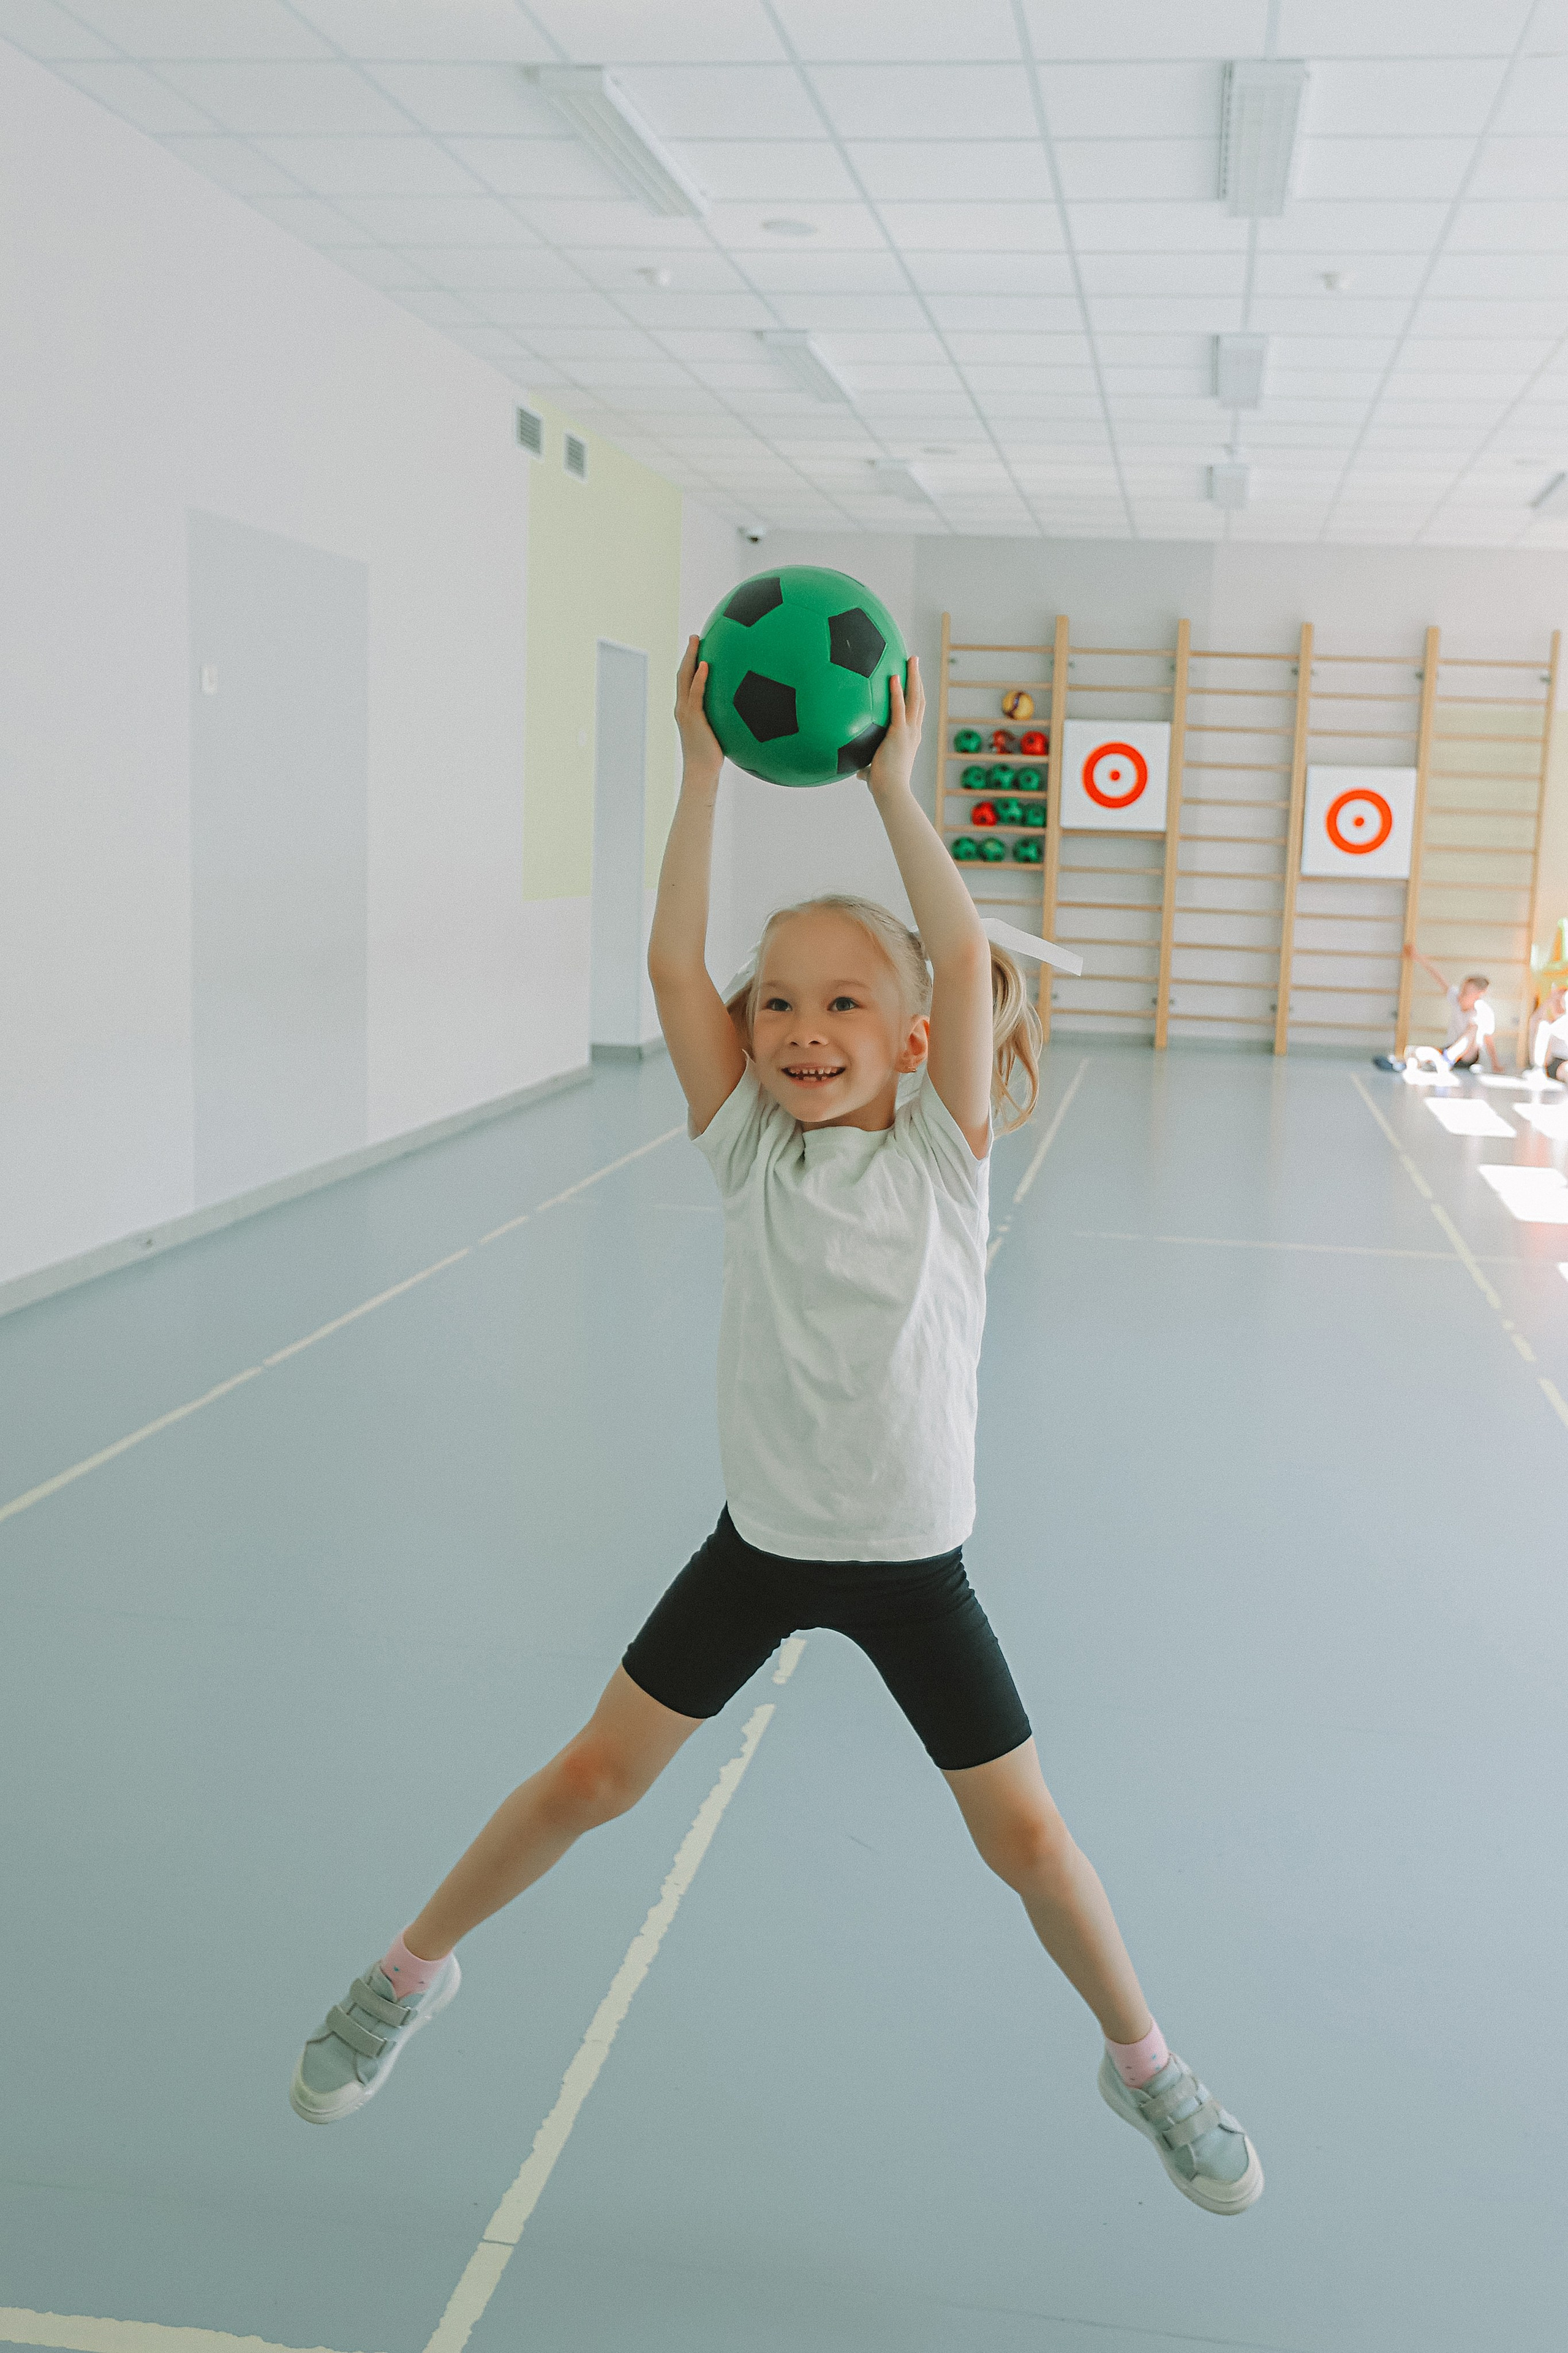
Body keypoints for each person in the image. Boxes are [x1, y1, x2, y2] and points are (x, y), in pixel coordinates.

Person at [289, 642, 1264, 2220]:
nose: (801, 1028)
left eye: (843, 1003)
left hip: (913, 1571)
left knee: (1025, 1836)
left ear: (907, 1032)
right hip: (757, 1550)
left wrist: (887, 777)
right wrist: (696, 775)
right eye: (778, 1004)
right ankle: (407, 1971)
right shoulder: (751, 1151)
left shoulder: (946, 1157)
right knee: (595, 1777)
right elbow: (675, 968)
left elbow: (944, 931)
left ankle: (1143, 2059)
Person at [1403, 948, 1499, 1072]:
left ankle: (1446, 1059)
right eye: (1461, 990)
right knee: (1418, 1052)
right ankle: (1439, 1060)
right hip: (1449, 1050)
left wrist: (1495, 1063)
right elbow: (1439, 978)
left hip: (1468, 1056)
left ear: (1477, 996)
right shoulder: (1456, 1000)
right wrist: (1418, 957)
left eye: (1465, 993)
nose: (1461, 995)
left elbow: (1488, 1039)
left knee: (1473, 1025)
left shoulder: (1482, 1011)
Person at [1529, 981, 1568, 1080]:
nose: (1557, 1005)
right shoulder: (1548, 1025)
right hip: (1557, 1062)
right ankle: (1538, 1070)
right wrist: (1551, 998)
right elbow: (1534, 1020)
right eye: (1556, 1002)